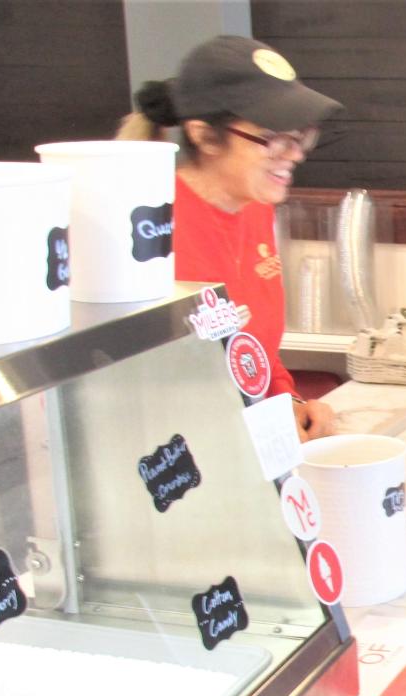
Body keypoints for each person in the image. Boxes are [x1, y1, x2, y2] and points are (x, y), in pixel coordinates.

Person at [118, 35, 341, 440]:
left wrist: (289, 403)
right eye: (272, 136)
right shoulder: (150, 231)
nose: (295, 154)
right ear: (204, 136)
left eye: (300, 136)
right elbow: (144, 391)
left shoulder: (254, 207)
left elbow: (254, 349)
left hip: (247, 446)